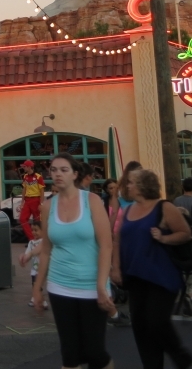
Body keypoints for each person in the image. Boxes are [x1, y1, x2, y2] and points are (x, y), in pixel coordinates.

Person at [32, 152, 115, 369]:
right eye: (54, 170)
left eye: (64, 170)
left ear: (75, 174)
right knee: (70, 354)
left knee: (95, 353)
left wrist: (101, 285)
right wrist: (37, 288)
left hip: (91, 285)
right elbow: (47, 250)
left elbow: (106, 245)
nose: (58, 174)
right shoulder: (48, 207)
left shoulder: (92, 201)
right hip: (60, 285)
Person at [111, 169, 192, 369]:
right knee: (140, 326)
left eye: (130, 183)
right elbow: (117, 239)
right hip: (135, 275)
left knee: (156, 321)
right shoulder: (129, 210)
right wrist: (116, 267)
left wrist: (164, 238)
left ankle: (180, 355)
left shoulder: (164, 207)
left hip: (161, 276)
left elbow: (185, 233)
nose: (127, 186)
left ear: (142, 185)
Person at [19, 218, 47, 309]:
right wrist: (24, 257)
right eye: (32, 230)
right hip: (34, 269)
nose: (34, 232)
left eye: (36, 230)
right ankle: (38, 299)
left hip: (43, 268)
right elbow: (28, 253)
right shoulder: (31, 243)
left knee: (39, 284)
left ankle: (38, 299)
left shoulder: (44, 242)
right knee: (35, 283)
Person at [19, 159, 46, 239]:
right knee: (22, 219)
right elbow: (24, 189)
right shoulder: (25, 176)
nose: (23, 168)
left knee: (37, 221)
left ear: (29, 167)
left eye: (25, 166)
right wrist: (22, 202)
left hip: (36, 200)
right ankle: (32, 238)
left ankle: (40, 239)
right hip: (27, 200)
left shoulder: (38, 177)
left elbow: (42, 190)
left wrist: (41, 203)